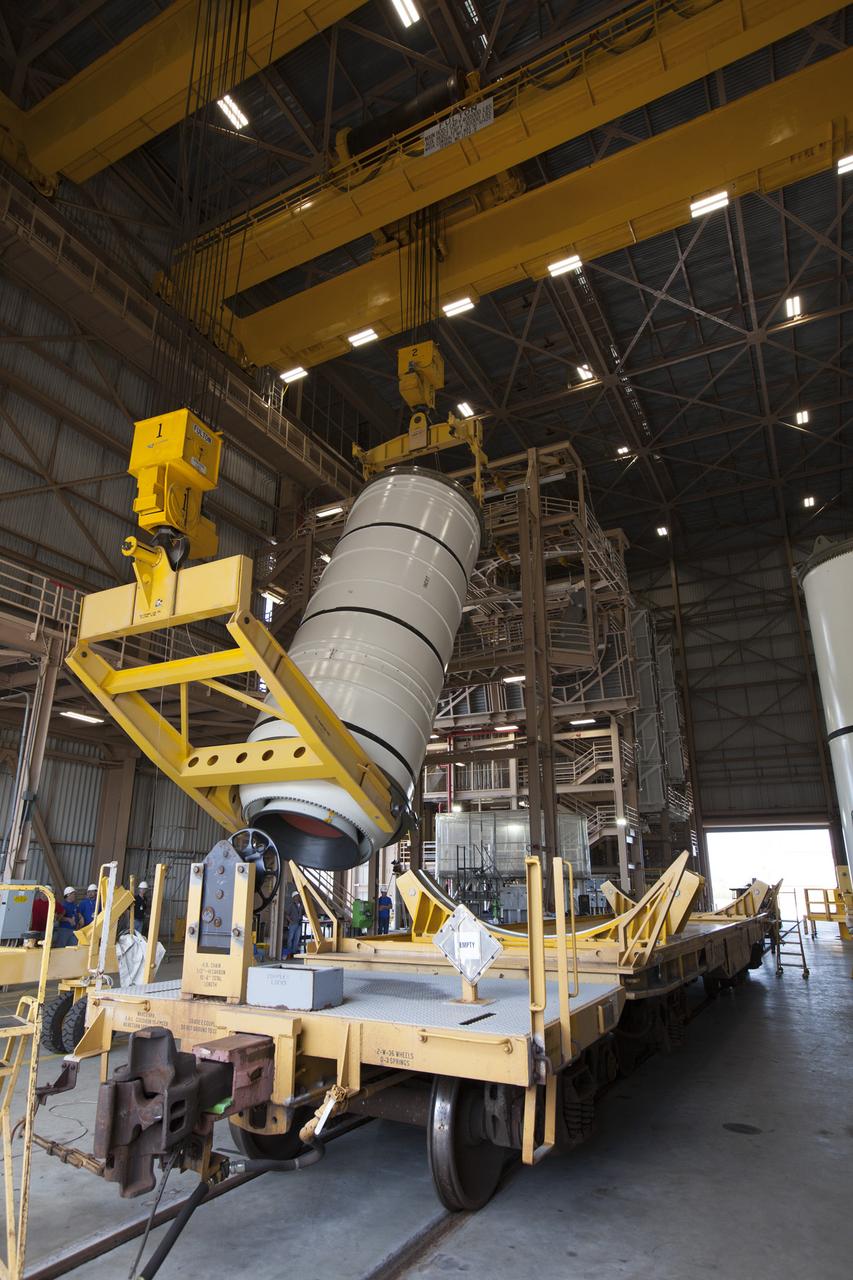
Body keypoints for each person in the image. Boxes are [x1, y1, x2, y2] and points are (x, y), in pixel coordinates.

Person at [285, 892, 303, 958]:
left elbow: (302, 913)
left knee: (297, 938)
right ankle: (289, 952)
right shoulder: (291, 905)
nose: (297, 897)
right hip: (293, 924)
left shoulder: (301, 905)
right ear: (293, 897)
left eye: (298, 896)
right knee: (290, 938)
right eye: (296, 896)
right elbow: (287, 915)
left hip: (299, 924)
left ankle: (294, 952)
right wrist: (291, 922)